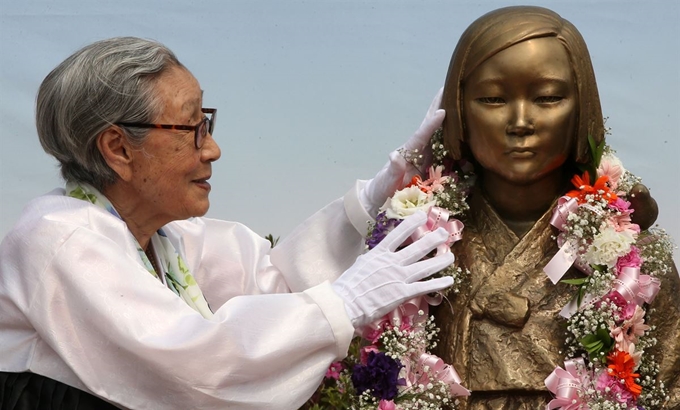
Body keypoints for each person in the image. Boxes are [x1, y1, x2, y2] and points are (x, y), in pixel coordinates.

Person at [0, 37, 455, 409]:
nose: (212, 150)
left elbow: (277, 283)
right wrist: (343, 302)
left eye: (207, 123)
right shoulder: (59, 238)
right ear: (118, 149)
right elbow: (193, 366)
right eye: (192, 128)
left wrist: (377, 196)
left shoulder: (165, 239)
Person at [429, 6, 680, 409]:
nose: (521, 121)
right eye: (493, 98)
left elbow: (667, 394)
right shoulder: (421, 246)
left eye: (547, 97)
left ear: (581, 109)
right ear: (459, 110)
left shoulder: (638, 265)